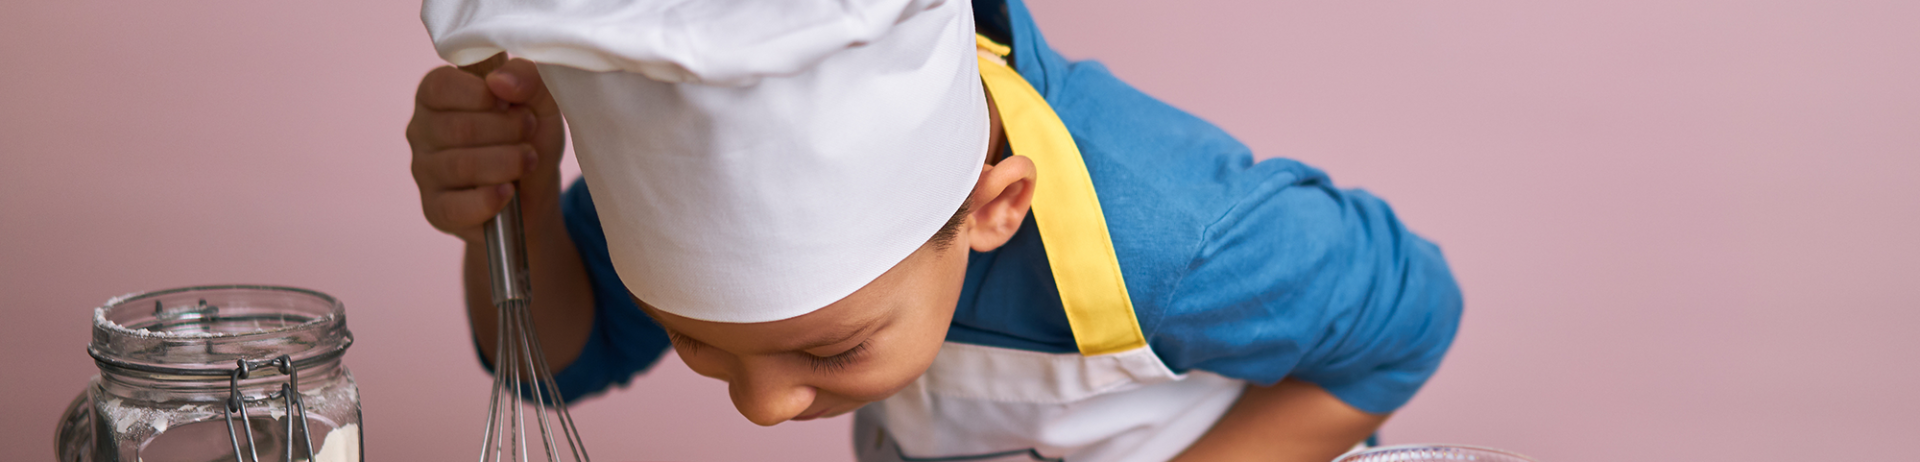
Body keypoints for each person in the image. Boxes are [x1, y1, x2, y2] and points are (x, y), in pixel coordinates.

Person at [406, 0, 1462, 460]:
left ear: (995, 209)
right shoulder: (698, 202)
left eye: (832, 348)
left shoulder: (1172, 238)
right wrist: (519, 211)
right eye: (699, 344)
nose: (763, 411)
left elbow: (1411, 316)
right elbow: (554, 366)